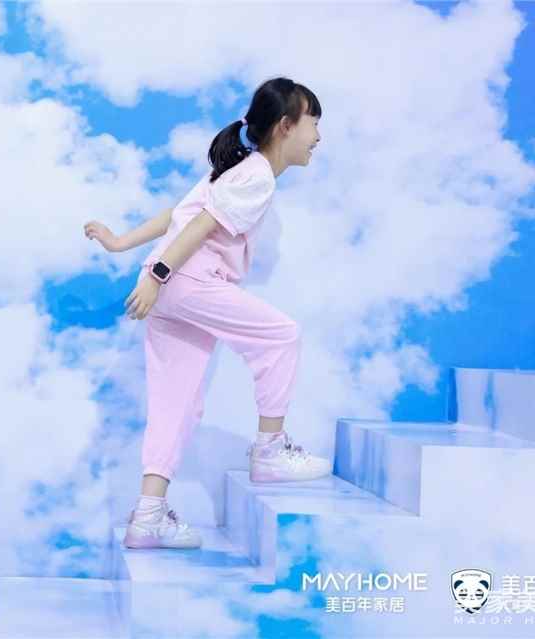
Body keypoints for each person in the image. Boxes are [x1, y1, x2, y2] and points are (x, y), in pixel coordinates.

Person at [84, 78, 331, 550]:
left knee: (176, 403)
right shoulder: (256, 174)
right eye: (313, 124)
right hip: (187, 280)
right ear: (285, 126)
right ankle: (270, 449)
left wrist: (121, 244)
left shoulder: (236, 168)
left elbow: (179, 213)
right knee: (281, 335)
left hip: (170, 287)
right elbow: (200, 224)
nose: (317, 137)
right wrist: (158, 275)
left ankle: (148, 515)